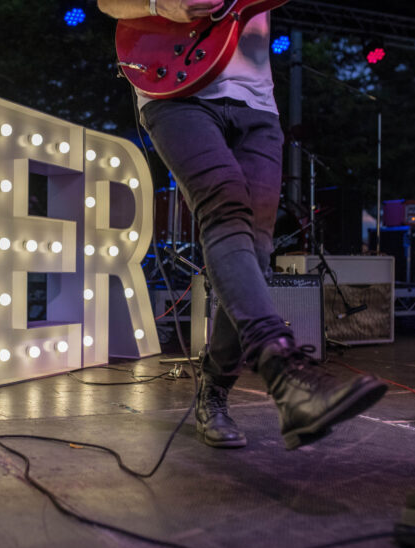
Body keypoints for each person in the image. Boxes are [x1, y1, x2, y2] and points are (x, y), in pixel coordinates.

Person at [97, 0, 387, 449]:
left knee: (254, 252)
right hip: (177, 92)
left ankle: (214, 389)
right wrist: (163, 6)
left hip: (257, 106)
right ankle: (286, 374)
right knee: (224, 206)